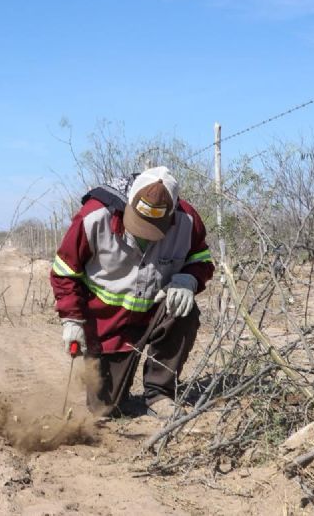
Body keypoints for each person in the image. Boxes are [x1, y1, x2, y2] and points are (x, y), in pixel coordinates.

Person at [50, 166, 214, 418]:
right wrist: (71, 319)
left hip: (156, 311)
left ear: (171, 213)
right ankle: (115, 394)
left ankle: (159, 393)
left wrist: (189, 278)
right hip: (108, 322)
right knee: (105, 408)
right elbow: (65, 272)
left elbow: (201, 259)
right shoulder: (94, 216)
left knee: (185, 309)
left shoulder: (188, 221)